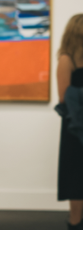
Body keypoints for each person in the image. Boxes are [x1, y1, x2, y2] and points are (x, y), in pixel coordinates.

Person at [56, 14, 83, 231]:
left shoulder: (69, 59)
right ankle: (75, 222)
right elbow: (64, 98)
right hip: (76, 127)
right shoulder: (67, 59)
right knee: (76, 175)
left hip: (76, 124)